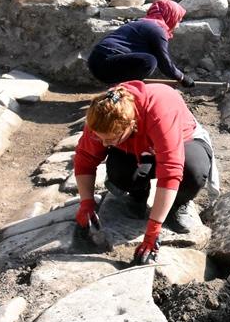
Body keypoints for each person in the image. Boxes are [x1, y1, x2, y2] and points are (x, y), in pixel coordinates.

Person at [72, 81, 216, 265]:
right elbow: (85, 158)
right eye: (101, 138)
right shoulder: (102, 114)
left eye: (110, 139)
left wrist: (153, 231)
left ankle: (177, 204)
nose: (105, 144)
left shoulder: (159, 113)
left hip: (183, 141)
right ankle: (138, 194)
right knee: (119, 173)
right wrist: (86, 204)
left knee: (193, 172)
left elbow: (170, 171)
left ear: (131, 124)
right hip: (139, 145)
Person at [87, 0, 195, 87]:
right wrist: (182, 78)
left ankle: (121, 86)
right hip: (105, 64)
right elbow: (164, 63)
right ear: (170, 16)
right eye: (178, 19)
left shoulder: (143, 23)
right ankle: (126, 90)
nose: (178, 24)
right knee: (149, 61)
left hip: (95, 61)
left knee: (148, 59)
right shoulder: (157, 30)